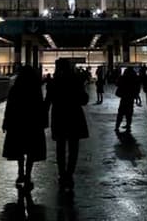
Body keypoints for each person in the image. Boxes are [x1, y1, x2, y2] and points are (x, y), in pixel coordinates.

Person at [46, 58, 89, 194]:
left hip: (59, 116)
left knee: (60, 147)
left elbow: (47, 102)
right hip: (74, 116)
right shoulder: (75, 80)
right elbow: (84, 100)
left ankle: (62, 174)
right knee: (73, 148)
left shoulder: (53, 82)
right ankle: (69, 174)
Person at [3, 65, 47, 190]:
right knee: (31, 150)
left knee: (19, 149)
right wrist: (43, 122)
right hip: (33, 123)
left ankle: (20, 172)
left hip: (17, 122)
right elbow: (40, 106)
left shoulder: (15, 89)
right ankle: (28, 175)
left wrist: (6, 121)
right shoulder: (35, 89)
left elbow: (9, 106)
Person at [114, 67, 141, 133]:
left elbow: (117, 84)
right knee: (129, 113)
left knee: (120, 112)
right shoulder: (135, 78)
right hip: (131, 97)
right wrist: (136, 94)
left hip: (124, 97)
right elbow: (138, 88)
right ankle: (128, 125)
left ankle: (117, 126)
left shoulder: (123, 77)